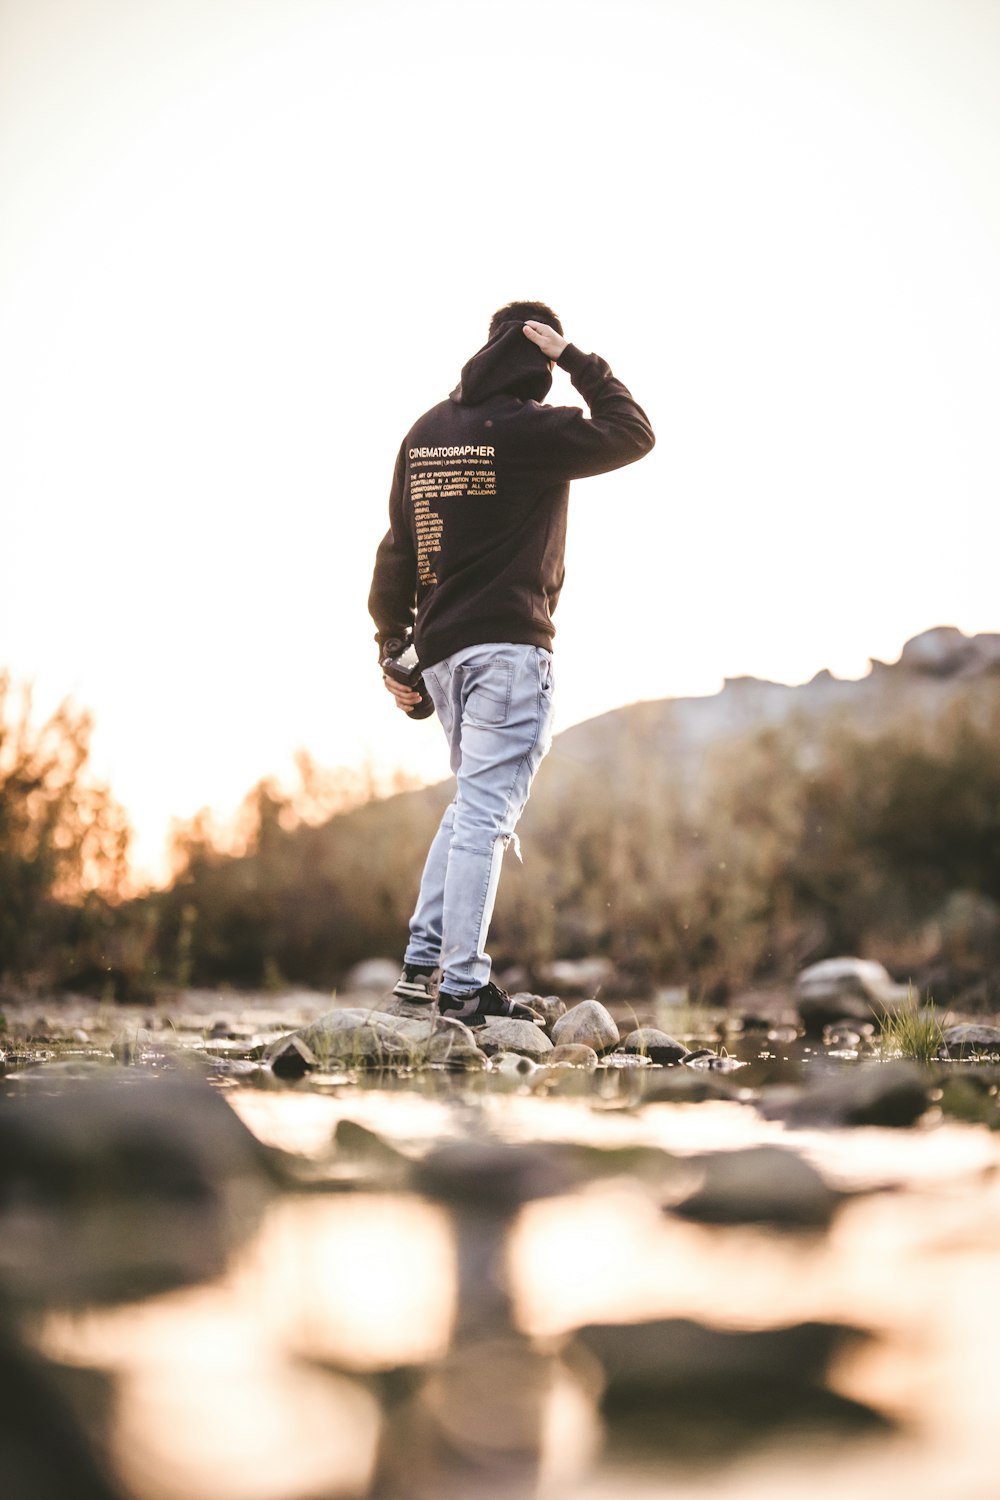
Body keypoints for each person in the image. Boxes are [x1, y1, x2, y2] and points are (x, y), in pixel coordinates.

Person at [368, 300, 655, 1027]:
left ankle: (418, 971)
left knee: (470, 808)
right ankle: (462, 986)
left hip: (439, 656)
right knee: (487, 814)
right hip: (507, 652)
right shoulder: (531, 429)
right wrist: (578, 358)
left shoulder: (426, 432)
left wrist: (389, 646)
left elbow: (396, 551)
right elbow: (633, 433)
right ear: (536, 354)